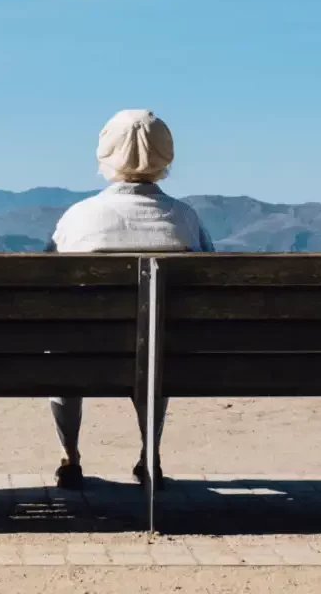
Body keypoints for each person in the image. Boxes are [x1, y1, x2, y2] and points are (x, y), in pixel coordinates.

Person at [46, 109, 214, 491]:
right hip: (163, 356)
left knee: (62, 359)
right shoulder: (185, 220)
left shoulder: (79, 218)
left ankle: (70, 458)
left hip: (85, 355)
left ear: (104, 155)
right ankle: (148, 454)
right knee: (155, 348)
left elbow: (45, 283)